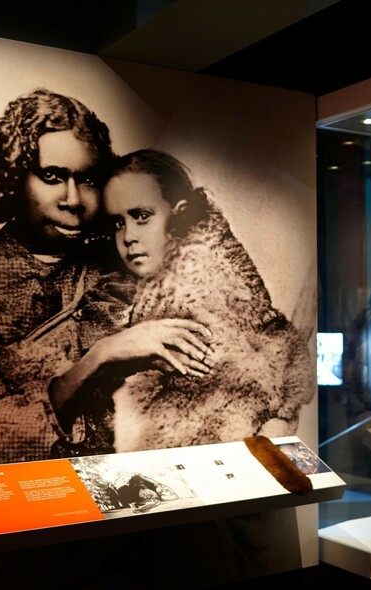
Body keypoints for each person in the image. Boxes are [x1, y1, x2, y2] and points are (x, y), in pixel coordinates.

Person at [0, 90, 211, 487]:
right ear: (14, 177)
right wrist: (100, 358)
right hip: (25, 525)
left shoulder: (129, 255)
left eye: (88, 179)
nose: (73, 199)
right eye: (52, 177)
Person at [54, 148, 313, 455]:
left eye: (141, 216)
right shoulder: (103, 297)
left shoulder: (215, 297)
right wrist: (106, 351)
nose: (128, 237)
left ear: (179, 214)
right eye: (117, 223)